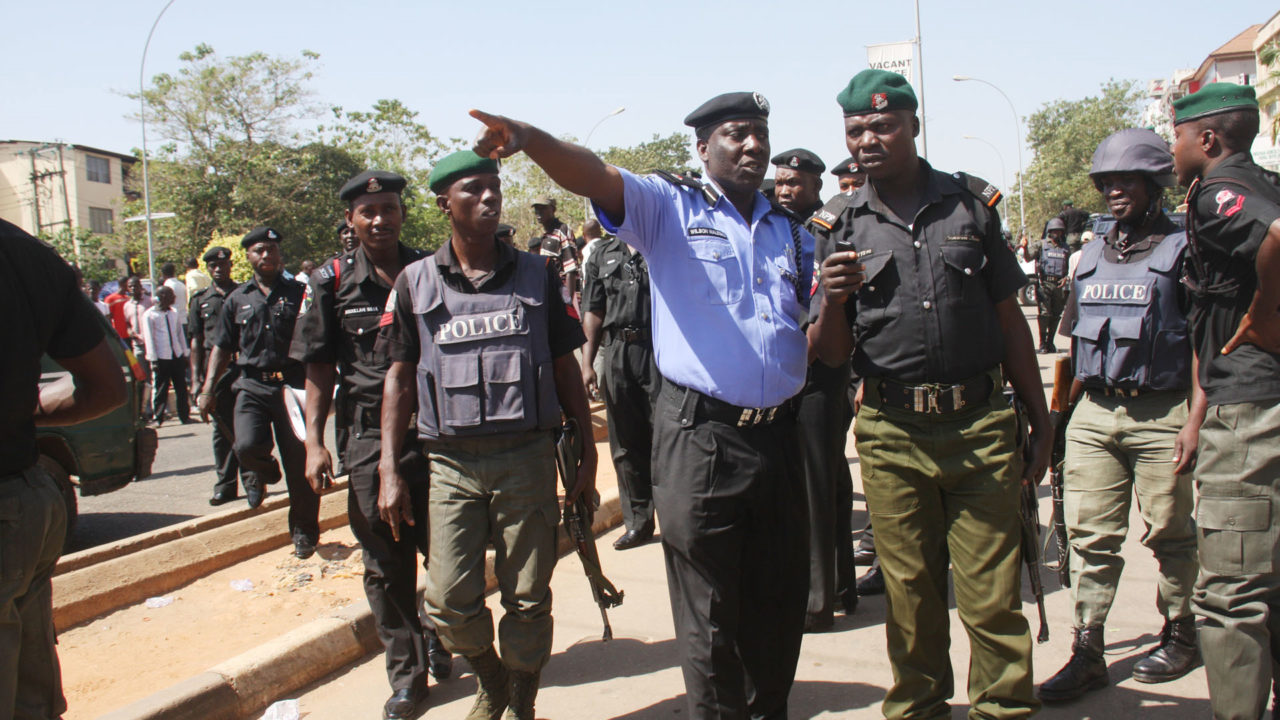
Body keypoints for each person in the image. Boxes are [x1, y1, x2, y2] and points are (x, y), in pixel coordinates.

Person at [468, 88, 815, 718]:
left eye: (760, 133)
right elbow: (595, 174)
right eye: (736, 133)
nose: (753, 145)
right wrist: (530, 138)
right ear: (703, 147)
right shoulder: (668, 206)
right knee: (710, 616)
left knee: (778, 604)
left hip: (781, 438)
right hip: (704, 439)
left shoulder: (792, 231)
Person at [809, 69, 1049, 720]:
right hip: (892, 433)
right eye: (856, 130)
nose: (868, 140)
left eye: (883, 126)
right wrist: (832, 300)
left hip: (980, 426)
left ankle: (1003, 707)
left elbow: (1009, 321)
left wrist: (1041, 417)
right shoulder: (837, 224)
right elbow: (831, 354)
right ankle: (919, 708)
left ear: (913, 125)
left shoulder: (971, 206)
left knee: (992, 596)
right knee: (910, 595)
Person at [376, 150, 595, 720]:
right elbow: (398, 377)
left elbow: (565, 365)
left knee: (528, 596)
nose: (488, 197)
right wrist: (389, 467)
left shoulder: (538, 273)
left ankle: (520, 698)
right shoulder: (414, 282)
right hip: (450, 463)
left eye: (493, 187)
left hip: (527, 456)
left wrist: (587, 455)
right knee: (448, 600)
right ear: (444, 203)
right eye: (472, 190)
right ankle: (492, 678)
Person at [1037, 128, 1201, 703]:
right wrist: (1060, 420)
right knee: (1088, 535)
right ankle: (1088, 651)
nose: (1114, 190)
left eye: (1127, 180)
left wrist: (1196, 419)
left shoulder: (1184, 249)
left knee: (1170, 532)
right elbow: (1074, 345)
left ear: (1155, 184)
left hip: (1164, 411)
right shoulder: (1088, 256)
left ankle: (1181, 631)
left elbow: (1203, 344)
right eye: (1107, 181)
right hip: (1095, 412)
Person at [291, 170, 449, 720]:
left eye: (389, 209)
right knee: (385, 562)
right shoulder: (330, 281)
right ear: (351, 219)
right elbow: (318, 368)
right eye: (368, 211)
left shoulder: (431, 269)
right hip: (365, 438)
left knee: (445, 550)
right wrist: (314, 442)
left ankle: (440, 632)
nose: (380, 220)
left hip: (433, 431)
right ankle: (408, 677)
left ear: (403, 213)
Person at [1170, 81, 1280, 720]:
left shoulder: (1219, 192)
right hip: (1245, 396)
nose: (1174, 149)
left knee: (1232, 596)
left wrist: (1262, 316)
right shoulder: (1266, 182)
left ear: (1207, 139)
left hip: (1252, 410)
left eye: (1178, 136)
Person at [0, 219, 128, 720]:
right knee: (32, 698)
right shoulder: (27, 253)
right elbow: (106, 388)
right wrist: (18, 412)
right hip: (28, 500)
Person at [775, 147, 860, 628]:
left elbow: (818, 308)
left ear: (815, 186)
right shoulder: (779, 229)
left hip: (815, 374)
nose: (785, 190)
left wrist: (788, 371)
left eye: (794, 183)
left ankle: (816, 602)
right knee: (829, 483)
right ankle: (842, 585)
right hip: (796, 373)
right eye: (781, 182)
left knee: (814, 488)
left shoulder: (824, 232)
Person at [198, 227, 320, 557]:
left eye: (271, 249)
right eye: (258, 250)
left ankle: (304, 532)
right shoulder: (237, 298)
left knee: (300, 465)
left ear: (279, 253)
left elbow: (316, 337)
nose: (266, 255)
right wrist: (207, 389)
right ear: (249, 257)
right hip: (251, 384)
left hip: (292, 387)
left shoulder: (301, 293)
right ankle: (264, 471)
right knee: (246, 445)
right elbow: (222, 347)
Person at [580, 210, 657, 551]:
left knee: (667, 438)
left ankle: (677, 519)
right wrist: (587, 363)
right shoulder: (601, 254)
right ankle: (638, 523)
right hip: (617, 353)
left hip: (659, 351)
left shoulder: (660, 245)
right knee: (624, 443)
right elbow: (593, 310)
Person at [189, 246, 254, 506]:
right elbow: (196, 341)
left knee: (248, 428)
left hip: (243, 367)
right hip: (218, 373)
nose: (218, 269)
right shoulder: (200, 300)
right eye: (213, 266)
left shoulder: (244, 293)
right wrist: (196, 379)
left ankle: (253, 481)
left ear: (230, 266)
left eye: (223, 264)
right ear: (207, 269)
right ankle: (225, 485)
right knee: (223, 430)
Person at [142, 285, 192, 425]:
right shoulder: (150, 315)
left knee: (181, 387)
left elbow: (179, 334)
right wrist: (153, 359)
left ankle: (184, 415)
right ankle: (158, 417)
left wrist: (184, 353)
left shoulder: (174, 312)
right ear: (162, 297)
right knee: (161, 388)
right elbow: (149, 338)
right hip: (161, 356)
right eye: (171, 295)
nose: (174, 298)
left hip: (176, 354)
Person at [530, 196, 581, 307]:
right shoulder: (545, 236)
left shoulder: (562, 230)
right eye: (536, 209)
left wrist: (567, 303)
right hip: (551, 293)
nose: (538, 212)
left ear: (553, 209)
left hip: (562, 294)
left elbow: (570, 270)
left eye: (543, 208)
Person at [1035, 218, 1071, 353]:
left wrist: (1066, 278)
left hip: (1059, 285)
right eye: (1055, 231)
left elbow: (1070, 265)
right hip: (1045, 283)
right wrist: (1024, 247)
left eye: (1059, 231)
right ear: (1050, 231)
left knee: (1056, 314)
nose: (1057, 233)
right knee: (1044, 314)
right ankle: (1042, 343)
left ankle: (1050, 342)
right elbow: (1027, 257)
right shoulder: (1041, 245)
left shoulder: (1065, 248)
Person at [161, 262, 189, 326]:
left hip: (173, 321)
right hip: (184, 319)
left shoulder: (167, 286)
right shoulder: (182, 285)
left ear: (163, 273)